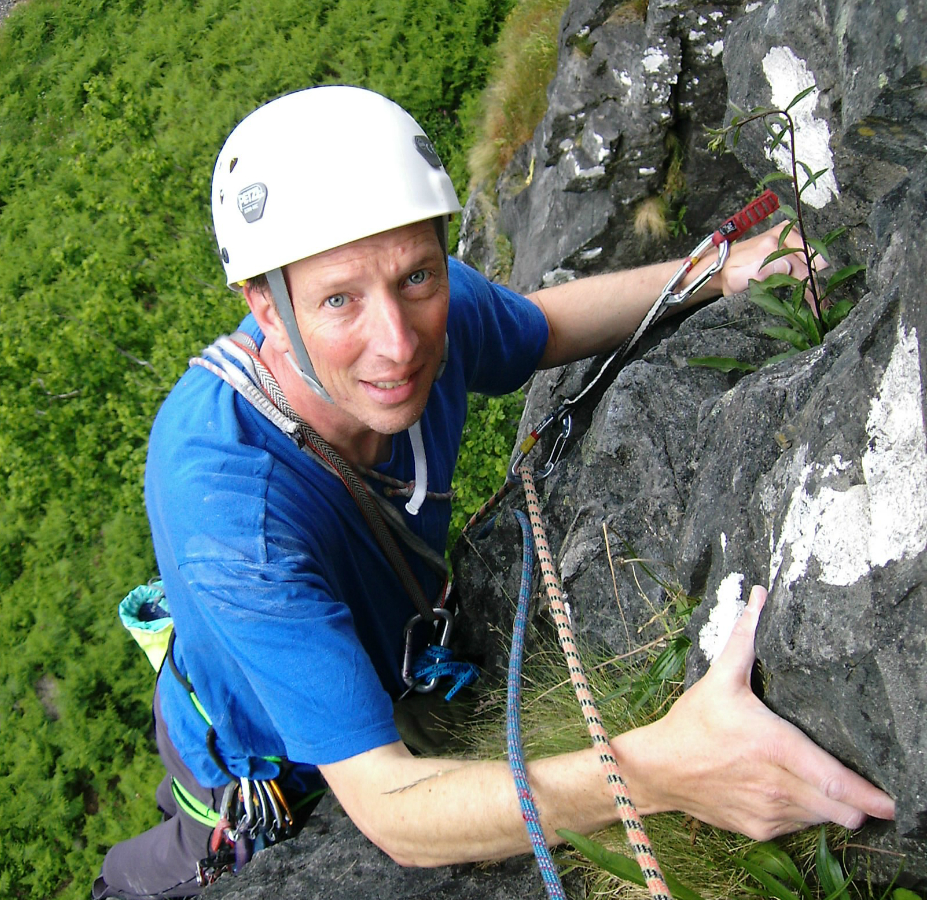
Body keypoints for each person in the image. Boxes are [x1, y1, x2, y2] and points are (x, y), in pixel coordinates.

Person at [93, 85, 895, 899]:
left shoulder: (424, 303)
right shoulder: (230, 502)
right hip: (268, 766)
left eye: (417, 278)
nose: (398, 343)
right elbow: (390, 807)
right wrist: (659, 771)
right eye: (338, 300)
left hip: (378, 661)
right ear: (264, 305)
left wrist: (717, 270)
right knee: (179, 862)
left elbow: (542, 327)